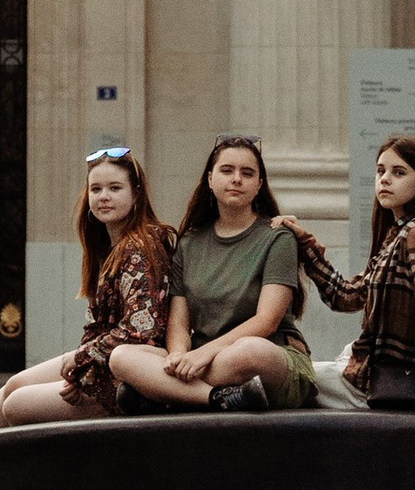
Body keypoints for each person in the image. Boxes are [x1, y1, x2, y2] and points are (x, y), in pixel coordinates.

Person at [109, 131, 317, 412]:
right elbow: (179, 323)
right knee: (121, 357)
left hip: (269, 357)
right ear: (210, 179)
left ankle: (164, 392)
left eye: (247, 173)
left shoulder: (277, 238)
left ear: (259, 185)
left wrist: (200, 357)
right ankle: (215, 398)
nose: (236, 179)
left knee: (248, 351)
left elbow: (266, 322)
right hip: (200, 359)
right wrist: (179, 356)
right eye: (227, 170)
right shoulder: (189, 242)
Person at [0, 145, 169, 428]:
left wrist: (80, 362)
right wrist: (78, 370)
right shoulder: (107, 246)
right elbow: (95, 327)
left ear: (136, 194)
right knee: (15, 385)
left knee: (16, 404)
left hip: (130, 378)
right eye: (96, 189)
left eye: (115, 188)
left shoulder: (140, 246)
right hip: (101, 362)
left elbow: (140, 331)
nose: (104, 197)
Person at [283, 135, 415, 414]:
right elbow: (346, 296)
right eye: (381, 171)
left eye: (398, 172)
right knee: (286, 373)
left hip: (382, 382)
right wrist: (306, 245)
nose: (385, 179)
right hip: (367, 367)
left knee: (284, 379)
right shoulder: (396, 236)